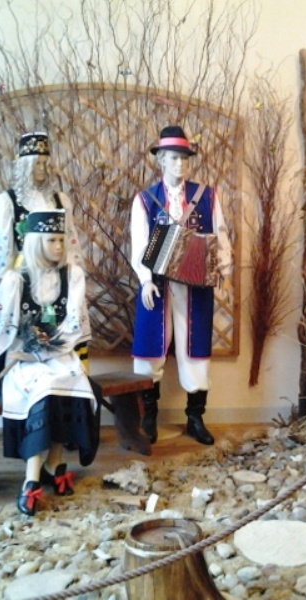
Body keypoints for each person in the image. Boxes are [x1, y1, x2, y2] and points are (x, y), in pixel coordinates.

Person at [0, 209, 98, 516]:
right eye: (51, 240)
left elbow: (74, 322)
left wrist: (51, 345)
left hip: (60, 354)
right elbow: (3, 330)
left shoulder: (71, 275)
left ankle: (54, 463)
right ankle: (31, 480)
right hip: (21, 360)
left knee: (71, 379)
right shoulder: (16, 280)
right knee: (45, 387)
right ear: (35, 242)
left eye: (61, 240)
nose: (59, 246)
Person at [130, 125, 231, 446]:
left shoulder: (208, 196)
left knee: (195, 348)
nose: (180, 164)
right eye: (173, 158)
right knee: (150, 349)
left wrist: (224, 271)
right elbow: (139, 245)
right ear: (160, 159)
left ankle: (195, 417)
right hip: (157, 286)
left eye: (185, 158)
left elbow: (221, 236)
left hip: (196, 286)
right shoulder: (145, 200)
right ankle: (148, 416)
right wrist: (145, 281)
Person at [0, 131, 88, 370]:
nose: (43, 169)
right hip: (26, 276)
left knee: (64, 321)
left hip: (58, 274)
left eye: (45, 163)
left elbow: (71, 242)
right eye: (37, 164)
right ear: (25, 166)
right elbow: (2, 250)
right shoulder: (8, 202)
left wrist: (72, 276)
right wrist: (4, 286)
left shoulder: (60, 200)